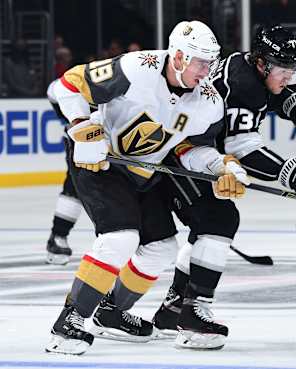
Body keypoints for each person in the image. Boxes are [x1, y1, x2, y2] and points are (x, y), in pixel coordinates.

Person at [44, 20, 249, 356]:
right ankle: (69, 321)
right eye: (201, 61)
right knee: (120, 238)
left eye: (211, 62)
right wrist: (81, 125)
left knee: (162, 247)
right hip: (100, 159)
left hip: (140, 172)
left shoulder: (208, 101)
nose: (207, 70)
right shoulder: (136, 67)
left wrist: (221, 166)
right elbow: (69, 85)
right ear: (180, 57)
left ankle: (111, 312)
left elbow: (190, 148)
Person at [150, 25, 296, 349]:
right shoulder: (243, 84)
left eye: (294, 71)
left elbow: (273, 93)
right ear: (261, 64)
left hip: (195, 153)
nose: (288, 77)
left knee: (209, 226)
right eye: (283, 70)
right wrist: (293, 173)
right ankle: (192, 318)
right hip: (181, 154)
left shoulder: (245, 69)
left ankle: (175, 309)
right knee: (219, 220)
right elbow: (243, 147)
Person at [45, 79, 87, 265]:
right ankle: (58, 236)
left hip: (119, 140)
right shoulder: (84, 80)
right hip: (83, 140)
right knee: (75, 186)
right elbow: (53, 90)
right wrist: (71, 118)